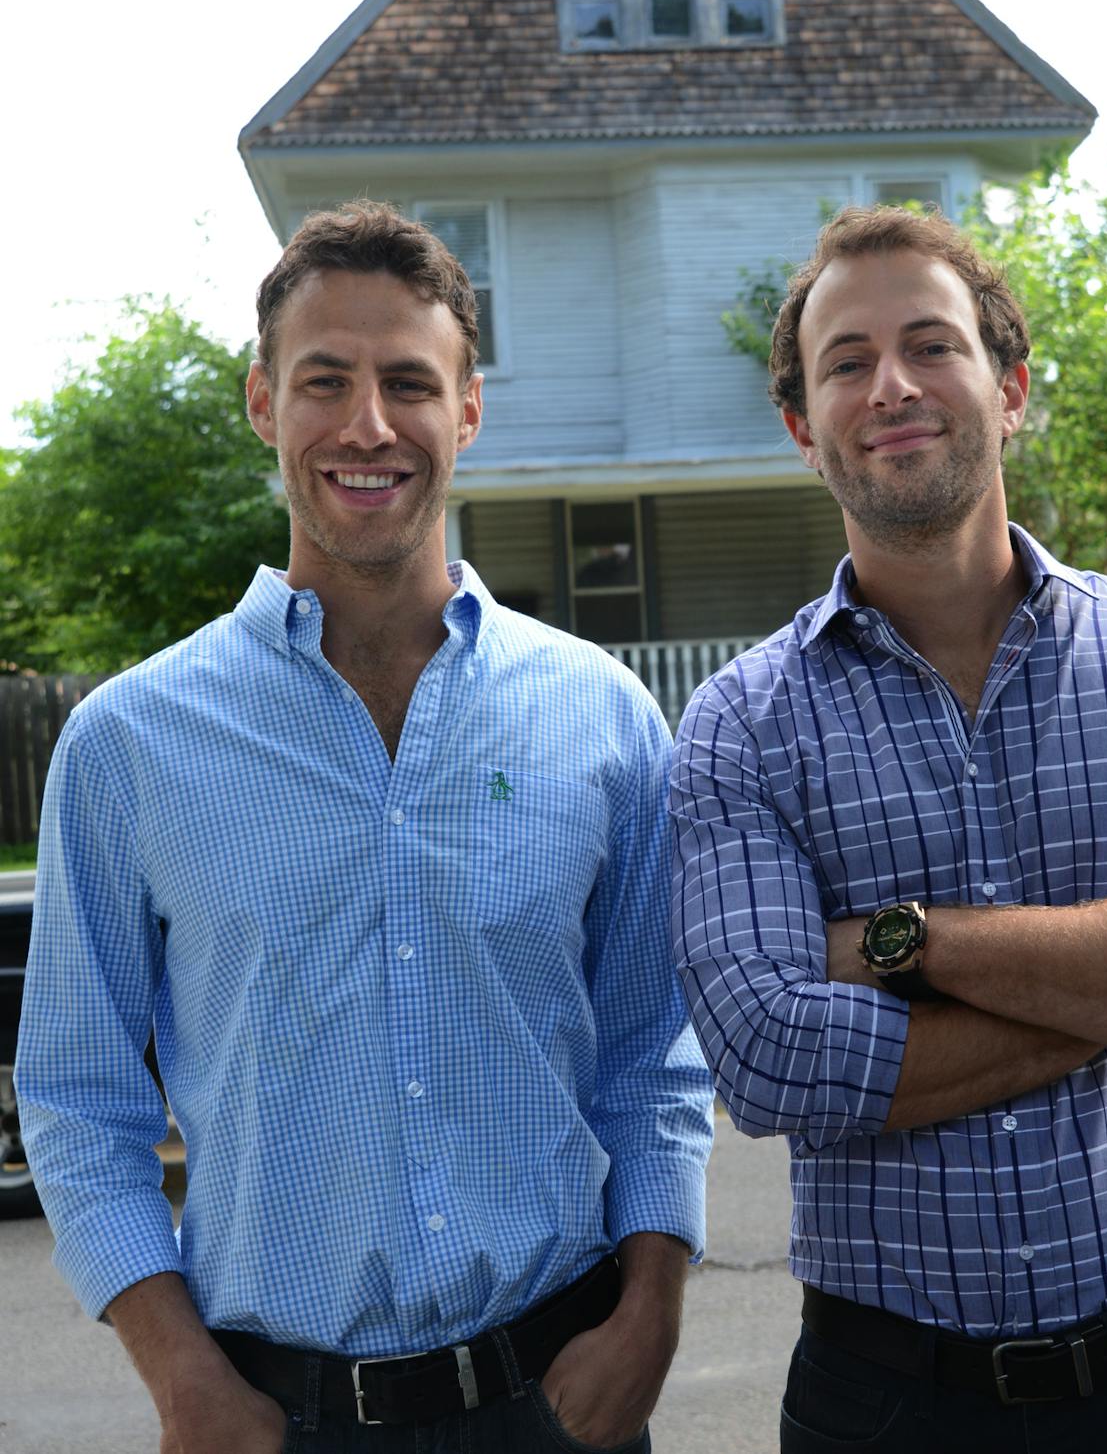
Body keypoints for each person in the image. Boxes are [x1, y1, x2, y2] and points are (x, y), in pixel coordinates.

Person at [17, 200, 714, 1454]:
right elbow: (77, 1101)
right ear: (260, 404)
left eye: (408, 382)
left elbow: (651, 1054)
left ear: (468, 410)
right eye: (324, 381)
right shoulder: (128, 745)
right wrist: (181, 1378)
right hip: (272, 1416)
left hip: (558, 1401)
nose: (367, 425)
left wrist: (650, 1314)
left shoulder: (602, 720)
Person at [670, 205, 1107, 1451]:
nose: (891, 386)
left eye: (931, 344)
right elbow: (763, 1056)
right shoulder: (738, 724)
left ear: (1009, 386)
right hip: (882, 1404)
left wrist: (898, 942)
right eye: (846, 362)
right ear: (802, 426)